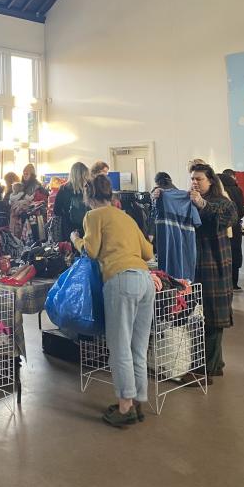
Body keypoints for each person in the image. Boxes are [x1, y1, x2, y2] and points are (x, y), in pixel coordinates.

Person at [74, 174, 155, 428]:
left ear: (88, 196)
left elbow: (92, 250)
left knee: (119, 346)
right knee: (138, 347)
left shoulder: (93, 216)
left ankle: (124, 408)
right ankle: (138, 401)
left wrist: (75, 239)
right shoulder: (126, 217)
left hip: (120, 280)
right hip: (144, 279)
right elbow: (148, 252)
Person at [189, 163, 237, 383]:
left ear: (211, 181)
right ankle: (212, 364)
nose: (195, 183)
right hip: (197, 267)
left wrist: (202, 204)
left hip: (215, 267)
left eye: (199, 179)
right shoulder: (190, 201)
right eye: (193, 179)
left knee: (214, 318)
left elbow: (224, 217)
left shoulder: (223, 203)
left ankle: (209, 368)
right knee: (197, 317)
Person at [219, 169, 244, 291]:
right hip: (237, 226)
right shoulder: (238, 189)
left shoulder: (221, 191)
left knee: (226, 254)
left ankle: (227, 283)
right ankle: (235, 283)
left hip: (226, 227)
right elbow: (242, 211)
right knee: (236, 253)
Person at [53, 162, 90, 241]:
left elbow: (56, 211)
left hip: (68, 228)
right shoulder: (88, 189)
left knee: (70, 251)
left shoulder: (63, 189)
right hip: (87, 227)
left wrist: (66, 214)